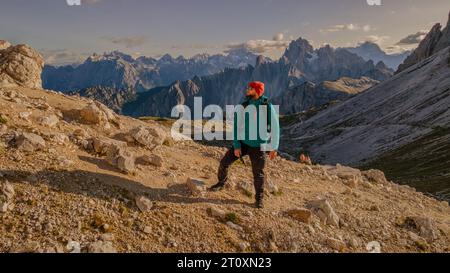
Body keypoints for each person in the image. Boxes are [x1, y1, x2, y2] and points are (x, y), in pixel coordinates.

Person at [209, 81, 280, 209]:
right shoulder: (244, 105)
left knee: (258, 174)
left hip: (259, 145)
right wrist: (236, 145)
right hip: (243, 143)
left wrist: (274, 147)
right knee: (224, 163)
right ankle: (221, 183)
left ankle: (259, 199)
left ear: (257, 91)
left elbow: (275, 126)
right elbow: (236, 127)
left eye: (250, 88)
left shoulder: (267, 106)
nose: (247, 90)